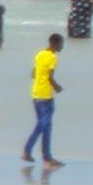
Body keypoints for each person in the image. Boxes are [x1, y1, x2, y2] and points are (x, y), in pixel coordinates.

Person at [23, 34, 65, 168]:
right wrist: (57, 87)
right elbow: (50, 77)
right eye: (61, 44)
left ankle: (34, 153)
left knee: (43, 125)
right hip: (46, 96)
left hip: (35, 93)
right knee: (44, 126)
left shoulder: (39, 54)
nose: (62, 47)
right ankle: (44, 157)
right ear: (55, 44)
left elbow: (33, 73)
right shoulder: (53, 57)